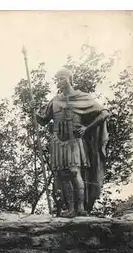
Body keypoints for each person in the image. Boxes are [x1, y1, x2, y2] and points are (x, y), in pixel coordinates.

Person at [35, 68, 110, 217]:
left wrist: (87, 128)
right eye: (58, 79)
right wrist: (34, 111)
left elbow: (104, 112)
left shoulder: (82, 97)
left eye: (62, 78)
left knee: (75, 172)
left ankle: (81, 208)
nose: (60, 82)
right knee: (63, 174)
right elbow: (43, 120)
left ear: (70, 79)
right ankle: (70, 208)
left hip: (74, 139)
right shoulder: (55, 100)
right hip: (57, 140)